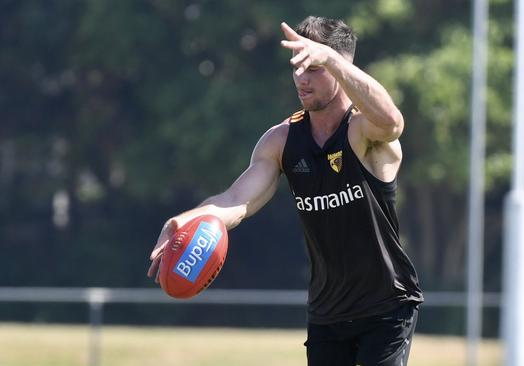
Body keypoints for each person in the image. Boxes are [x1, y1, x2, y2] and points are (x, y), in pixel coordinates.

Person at [147, 16, 423, 366]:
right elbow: (236, 201)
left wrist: (330, 59)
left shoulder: (362, 131)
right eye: (297, 67)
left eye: (313, 67)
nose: (300, 78)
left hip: (386, 308)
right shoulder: (282, 141)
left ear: (339, 68)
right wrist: (187, 220)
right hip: (328, 314)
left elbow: (393, 122)